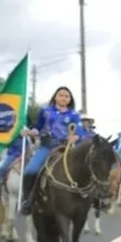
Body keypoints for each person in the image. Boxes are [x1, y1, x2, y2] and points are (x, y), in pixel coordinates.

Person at [20, 86, 86, 214]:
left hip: (66, 148)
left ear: (70, 99)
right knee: (30, 170)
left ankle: (86, 199)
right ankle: (27, 200)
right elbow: (38, 128)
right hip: (47, 147)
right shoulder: (45, 111)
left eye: (67, 96)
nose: (63, 97)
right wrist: (28, 132)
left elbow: (80, 132)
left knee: (83, 170)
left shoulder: (74, 114)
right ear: (55, 97)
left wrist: (75, 137)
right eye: (61, 95)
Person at [0, 112, 36, 194]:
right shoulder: (10, 131)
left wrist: (30, 133)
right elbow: (7, 142)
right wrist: (17, 134)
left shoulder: (26, 128)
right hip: (14, 154)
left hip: (28, 154)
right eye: (14, 119)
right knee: (2, 168)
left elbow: (33, 141)